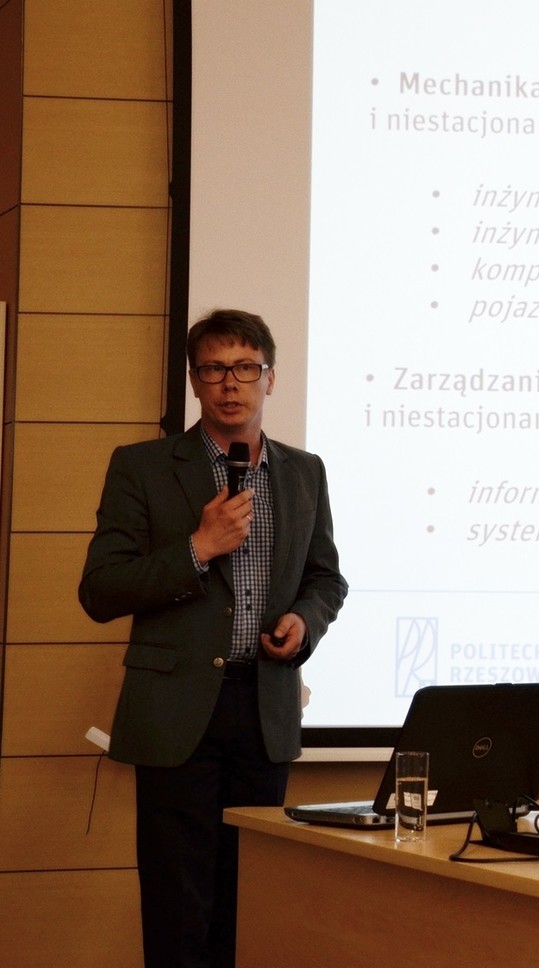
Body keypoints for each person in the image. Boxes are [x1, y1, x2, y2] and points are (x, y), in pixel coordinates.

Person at [79, 308, 347, 968]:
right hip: (176, 714)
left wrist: (303, 622)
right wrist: (197, 548)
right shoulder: (143, 467)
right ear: (195, 382)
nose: (232, 383)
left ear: (270, 379)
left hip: (264, 709)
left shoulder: (304, 472)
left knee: (249, 904)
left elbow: (326, 578)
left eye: (246, 368)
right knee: (179, 907)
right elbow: (100, 589)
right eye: (215, 369)